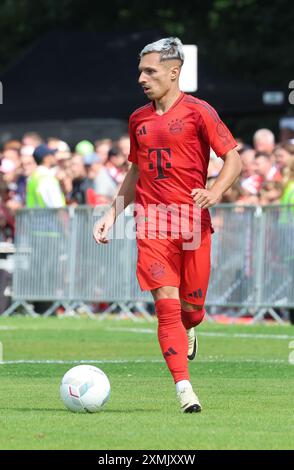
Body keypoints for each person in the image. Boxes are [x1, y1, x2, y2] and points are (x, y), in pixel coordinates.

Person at [93, 37, 242, 413]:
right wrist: (112, 214)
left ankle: (192, 325)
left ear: (174, 72)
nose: (142, 78)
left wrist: (216, 190)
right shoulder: (137, 119)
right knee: (166, 305)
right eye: (140, 71)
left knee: (191, 310)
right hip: (152, 223)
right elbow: (135, 171)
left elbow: (233, 160)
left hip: (193, 224)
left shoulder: (199, 111)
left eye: (150, 71)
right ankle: (184, 388)